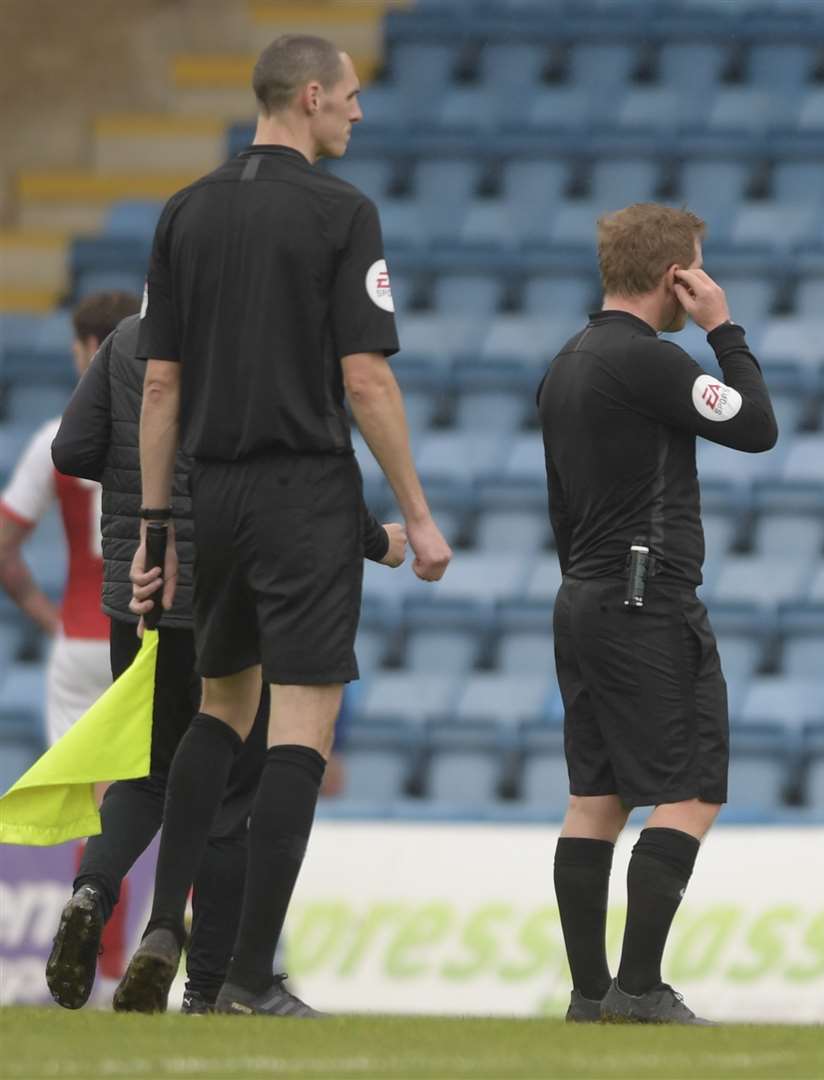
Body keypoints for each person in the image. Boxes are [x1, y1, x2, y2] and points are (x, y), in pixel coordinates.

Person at [111, 33, 450, 1018]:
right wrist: (417, 519)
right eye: (348, 98)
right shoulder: (343, 213)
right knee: (303, 721)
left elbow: (161, 382)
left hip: (212, 492)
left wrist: (154, 528)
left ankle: (163, 929)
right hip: (305, 489)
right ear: (308, 97)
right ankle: (251, 973)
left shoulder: (184, 213)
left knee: (220, 707)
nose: (358, 112)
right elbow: (365, 376)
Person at [42, 311, 405, 1014]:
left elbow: (73, 446)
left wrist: (132, 480)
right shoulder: (255, 335)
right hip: (226, 580)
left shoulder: (123, 339)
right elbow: (305, 470)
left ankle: (93, 890)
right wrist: (376, 540)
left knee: (146, 775)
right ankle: (207, 983)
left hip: (135, 593)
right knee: (228, 793)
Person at [540, 203, 776, 1025]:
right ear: (676, 275)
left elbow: (561, 508)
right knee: (692, 789)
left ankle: (587, 991)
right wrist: (725, 329)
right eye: (698, 268)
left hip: (582, 595)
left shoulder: (565, 362)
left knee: (597, 796)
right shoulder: (654, 362)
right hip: (647, 598)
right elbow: (756, 426)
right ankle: (637, 988)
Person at [0, 291, 136, 752]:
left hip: (81, 631)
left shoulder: (54, 440)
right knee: (152, 785)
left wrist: (50, 618)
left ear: (91, 348)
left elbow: (4, 547)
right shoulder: (174, 433)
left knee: (79, 791)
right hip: (154, 632)